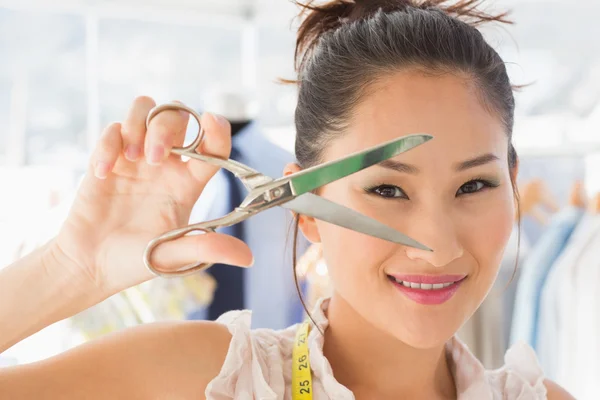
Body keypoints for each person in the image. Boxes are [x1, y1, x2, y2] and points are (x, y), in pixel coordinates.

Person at [0, 0, 576, 398]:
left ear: (513, 181)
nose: (436, 245)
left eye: (474, 185)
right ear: (306, 204)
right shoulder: (204, 381)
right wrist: (69, 267)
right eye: (386, 188)